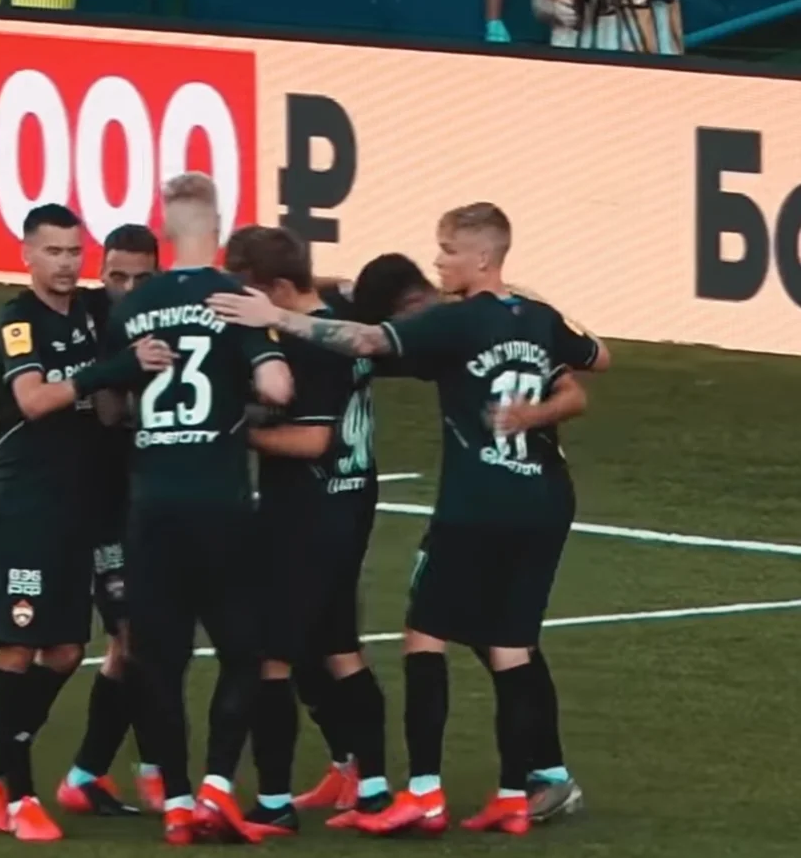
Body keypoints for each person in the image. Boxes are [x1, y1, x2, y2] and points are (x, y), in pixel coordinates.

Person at [207, 202, 609, 836]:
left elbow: (367, 341)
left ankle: (422, 792)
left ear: (482, 256)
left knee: (424, 637)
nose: (439, 262)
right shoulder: (535, 317)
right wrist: (536, 409)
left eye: (448, 250)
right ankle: (520, 789)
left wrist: (276, 318)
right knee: (509, 645)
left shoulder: (455, 322)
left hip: (476, 504)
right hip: (546, 499)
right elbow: (596, 361)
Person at [0, 204, 171, 842]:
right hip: (22, 500)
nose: (66, 264)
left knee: (69, 650)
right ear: (27, 254)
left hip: (74, 504)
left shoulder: (92, 315)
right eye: (53, 252)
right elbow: (34, 399)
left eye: (74, 252)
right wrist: (112, 370)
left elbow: (105, 408)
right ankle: (19, 798)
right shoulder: (19, 320)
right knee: (18, 647)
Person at [105, 173, 292, 845]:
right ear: (218, 226)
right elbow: (278, 385)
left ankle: (178, 802)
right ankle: (217, 785)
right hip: (219, 502)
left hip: (152, 505)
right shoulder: (234, 298)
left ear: (164, 229)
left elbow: (112, 407)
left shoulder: (133, 304)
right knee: (244, 651)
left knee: (158, 659)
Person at [221, 226, 394, 837]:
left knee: (272, 657)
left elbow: (312, 440)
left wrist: (233, 432)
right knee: (339, 649)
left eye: (245, 291)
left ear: (274, 288)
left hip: (306, 514)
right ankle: (372, 789)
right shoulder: (337, 321)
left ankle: (273, 802)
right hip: (348, 502)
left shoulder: (310, 347)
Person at [57, 224, 164, 815]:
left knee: (134, 643)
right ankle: (151, 770)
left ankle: (88, 774)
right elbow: (104, 412)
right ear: (102, 272)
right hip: (102, 503)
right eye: (117, 276)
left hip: (154, 500)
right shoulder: (91, 319)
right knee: (132, 637)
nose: (127, 288)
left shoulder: (171, 315)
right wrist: (124, 360)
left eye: (140, 279)